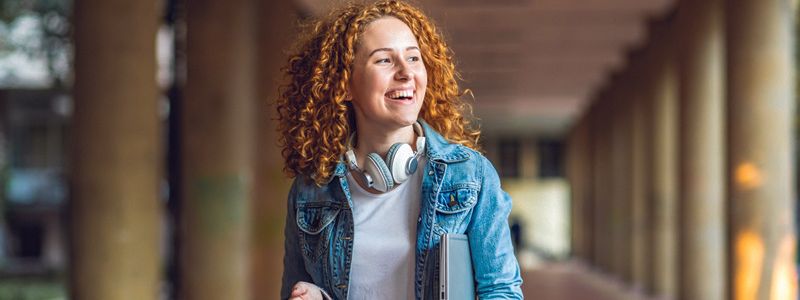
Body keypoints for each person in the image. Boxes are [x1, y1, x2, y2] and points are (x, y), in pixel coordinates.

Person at [276, 1, 523, 299]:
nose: (406, 72)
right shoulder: (310, 191)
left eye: (414, 58)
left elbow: (501, 291)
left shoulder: (470, 175)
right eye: (384, 60)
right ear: (344, 85)